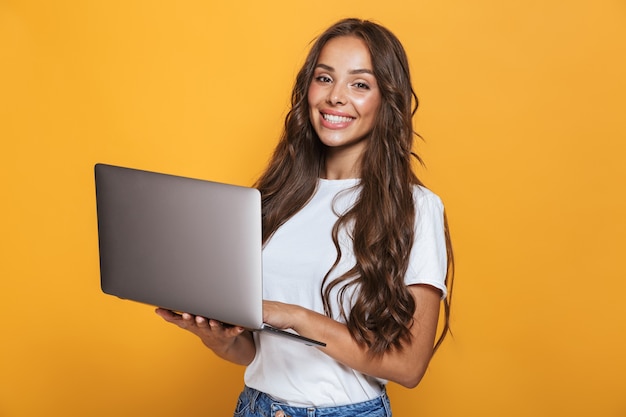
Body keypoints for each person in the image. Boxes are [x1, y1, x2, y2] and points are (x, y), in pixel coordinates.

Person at [156, 17, 454, 417]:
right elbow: (253, 353)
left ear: (387, 100)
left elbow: (409, 365)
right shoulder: (273, 198)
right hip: (257, 407)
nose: (336, 97)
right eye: (324, 78)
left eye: (360, 84)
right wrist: (216, 337)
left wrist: (294, 316)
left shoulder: (416, 207)